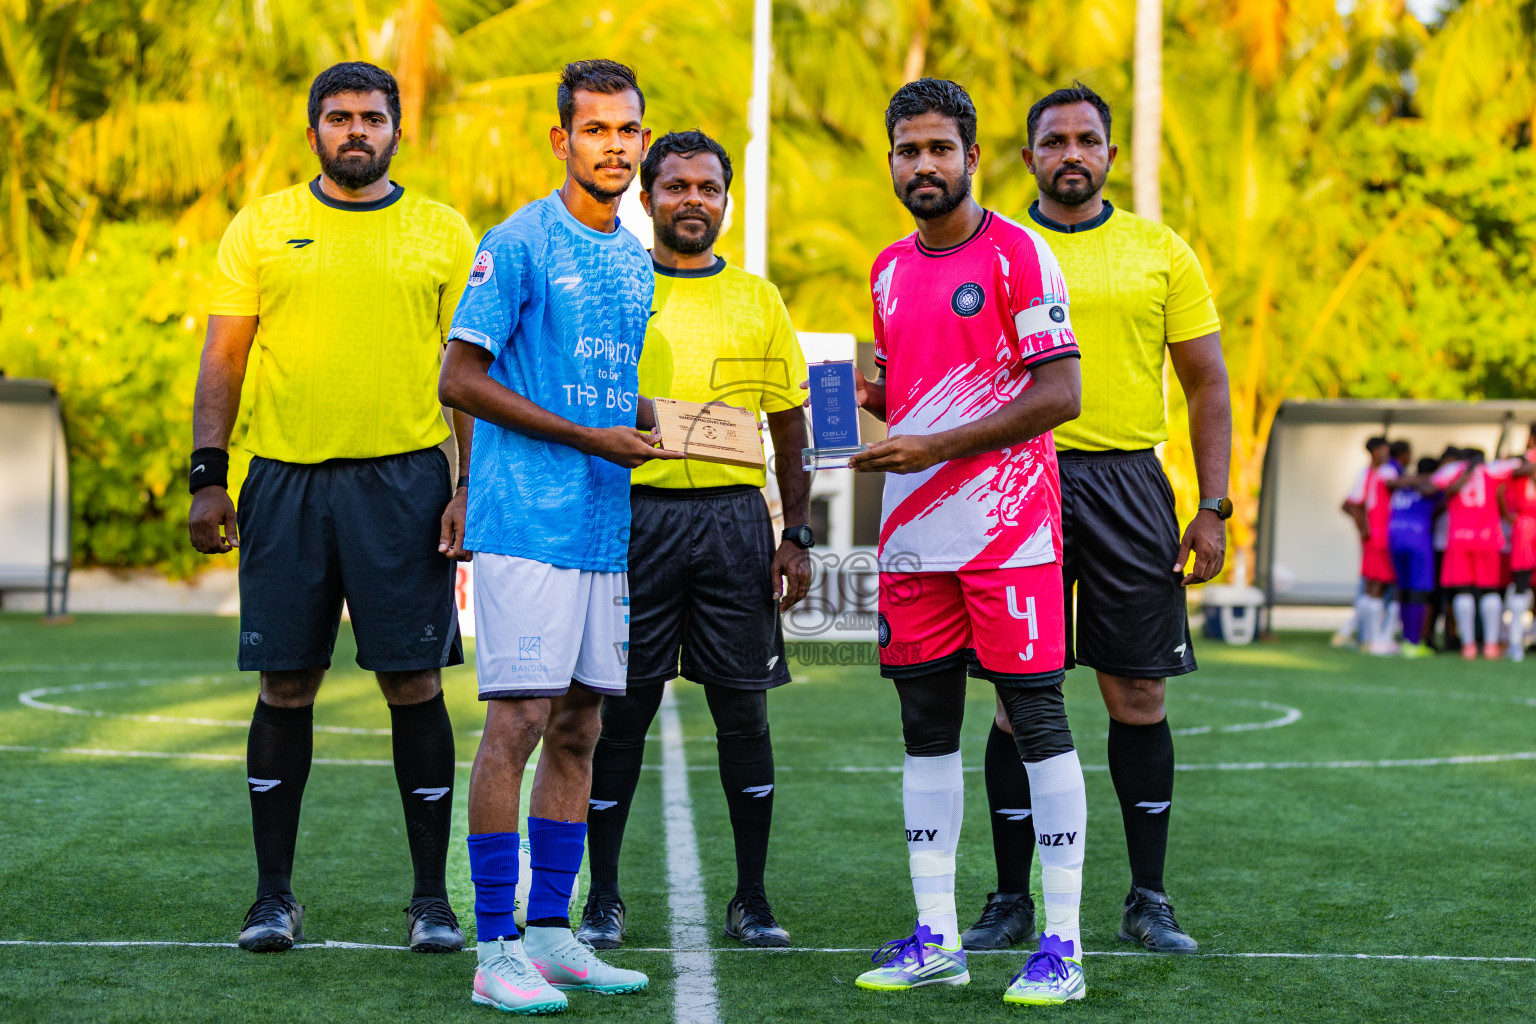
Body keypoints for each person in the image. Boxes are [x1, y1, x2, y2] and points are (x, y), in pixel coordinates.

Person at [187, 62, 475, 955]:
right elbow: (224, 358)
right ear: (312, 131)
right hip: (283, 480)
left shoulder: (441, 230)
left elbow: (469, 372)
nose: (357, 130)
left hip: (405, 484)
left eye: (373, 117)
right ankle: (273, 898)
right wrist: (207, 473)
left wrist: (471, 484)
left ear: (398, 130)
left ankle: (431, 899)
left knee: (413, 683)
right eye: (340, 117)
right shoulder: (263, 225)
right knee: (285, 684)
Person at [436, 59, 679, 1014]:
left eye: (628, 131)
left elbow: (602, 389)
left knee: (580, 727)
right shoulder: (519, 241)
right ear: (561, 139)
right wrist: (588, 437)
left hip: (601, 527)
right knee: (519, 724)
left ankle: (551, 935)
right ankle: (495, 950)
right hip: (525, 521)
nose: (614, 147)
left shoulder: (634, 254)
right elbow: (460, 376)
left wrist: (665, 425)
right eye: (596, 130)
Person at [968, 82, 1232, 957]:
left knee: (1138, 693)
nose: (1071, 153)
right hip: (1017, 482)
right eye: (1054, 140)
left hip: (1128, 484)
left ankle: (1148, 898)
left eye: (1087, 139)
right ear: (1027, 156)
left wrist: (1215, 507)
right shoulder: (991, 249)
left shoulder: (1161, 251)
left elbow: (1207, 385)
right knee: (1019, 699)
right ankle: (1010, 897)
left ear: (1110, 155)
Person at [847, 78, 1088, 1005]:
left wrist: (933, 441)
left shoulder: (1020, 255)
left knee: (1036, 724)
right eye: (908, 151)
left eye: (940, 149)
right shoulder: (886, 269)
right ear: (894, 160)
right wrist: (859, 405)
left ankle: (1061, 947)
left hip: (1010, 534)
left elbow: (1061, 395)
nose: (924, 166)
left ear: (974, 155)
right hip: (911, 538)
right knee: (925, 731)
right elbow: (906, 395)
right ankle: (935, 937)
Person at [576, 130, 811, 950]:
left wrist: (799, 533)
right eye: (675, 187)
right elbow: (586, 404)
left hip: (735, 525)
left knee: (743, 715)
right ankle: (601, 897)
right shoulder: (613, 286)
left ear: (726, 201)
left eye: (708, 188)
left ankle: (751, 898)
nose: (692, 201)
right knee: (621, 712)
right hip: (633, 519)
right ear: (646, 200)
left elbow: (788, 425)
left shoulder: (758, 296)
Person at [1430, 449, 1524, 660]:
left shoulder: (1453, 470)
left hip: (1459, 539)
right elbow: (1520, 469)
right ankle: (1490, 645)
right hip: (1488, 538)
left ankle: (1468, 645)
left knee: (1463, 592)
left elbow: (1433, 485)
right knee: (1490, 591)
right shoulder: (1493, 469)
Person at [1342, 437, 1399, 656]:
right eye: (1383, 449)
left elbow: (1351, 504)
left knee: (1372, 586)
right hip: (1380, 536)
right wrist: (1364, 528)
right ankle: (1375, 640)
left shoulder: (1369, 473)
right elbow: (1351, 505)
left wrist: (1363, 528)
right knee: (1379, 586)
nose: (1386, 453)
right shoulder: (1383, 473)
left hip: (1377, 535)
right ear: (1374, 451)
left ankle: (1364, 637)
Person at [1388, 457, 1442, 658]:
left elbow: (1390, 481)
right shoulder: (1431, 486)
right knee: (1419, 592)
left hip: (1395, 537)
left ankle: (1404, 639)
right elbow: (1435, 493)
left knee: (1404, 591)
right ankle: (1414, 642)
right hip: (1418, 540)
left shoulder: (1402, 485)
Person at [1504, 427, 1536, 660]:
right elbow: (1508, 479)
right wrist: (1508, 515)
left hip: (1526, 524)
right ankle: (1515, 642)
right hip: (1526, 523)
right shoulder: (1520, 461)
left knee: (1523, 585)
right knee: (1521, 583)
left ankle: (1524, 641)